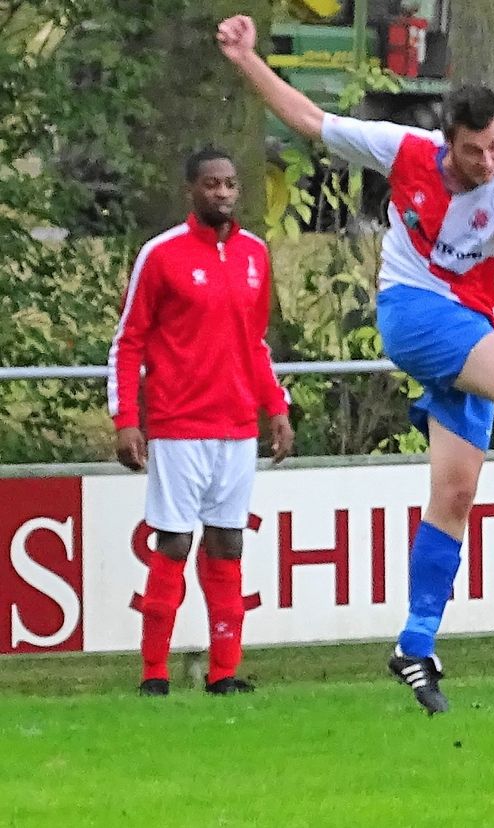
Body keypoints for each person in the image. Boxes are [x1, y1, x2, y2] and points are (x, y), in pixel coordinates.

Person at [216, 15, 494, 715]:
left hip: (469, 328)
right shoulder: (405, 151)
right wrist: (247, 59)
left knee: (455, 495)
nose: (487, 161)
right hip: (411, 314)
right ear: (447, 141)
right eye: (473, 150)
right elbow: (310, 118)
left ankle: (414, 643)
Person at [109, 146, 295, 697]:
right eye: (212, 184)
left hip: (237, 426)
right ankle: (154, 673)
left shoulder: (255, 255)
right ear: (192, 189)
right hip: (178, 423)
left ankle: (224, 672)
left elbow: (254, 344)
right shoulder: (161, 254)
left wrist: (276, 408)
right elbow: (129, 341)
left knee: (228, 545)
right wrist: (126, 418)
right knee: (172, 543)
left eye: (231, 184)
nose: (223, 193)